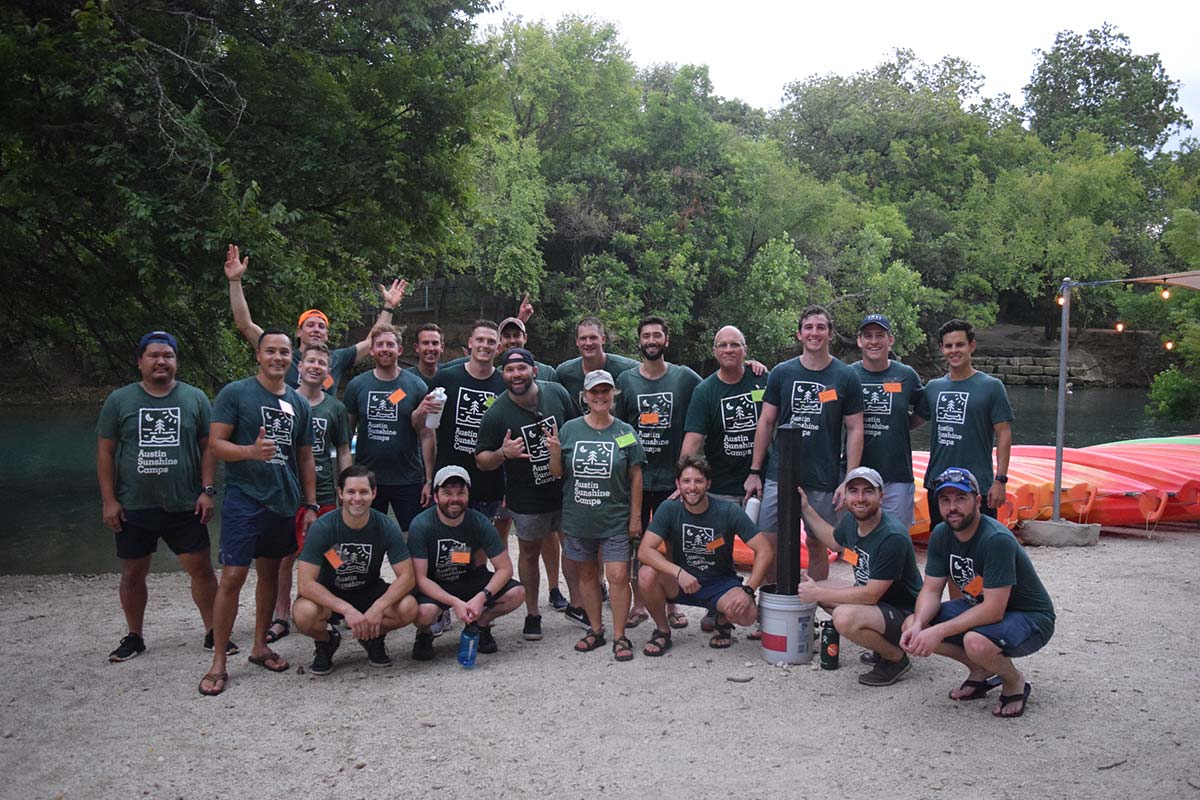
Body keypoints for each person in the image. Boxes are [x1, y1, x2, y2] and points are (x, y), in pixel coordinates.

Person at [199, 330, 317, 696]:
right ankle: (219, 660)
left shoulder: (299, 403)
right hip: (245, 498)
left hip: (283, 500)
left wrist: (310, 503)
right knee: (233, 576)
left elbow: (305, 456)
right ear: (259, 355)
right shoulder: (236, 393)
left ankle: (259, 646)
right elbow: (216, 444)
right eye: (271, 351)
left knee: (269, 574)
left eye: (284, 352)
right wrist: (250, 452)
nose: (278, 357)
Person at [97, 331, 226, 662]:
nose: (161, 361)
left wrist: (207, 490)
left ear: (176, 362)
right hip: (134, 504)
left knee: (201, 570)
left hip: (184, 502)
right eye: (154, 355)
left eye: (168, 356)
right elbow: (106, 453)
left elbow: (207, 448)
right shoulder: (120, 400)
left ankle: (213, 631)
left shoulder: (194, 398)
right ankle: (135, 635)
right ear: (140, 361)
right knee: (132, 574)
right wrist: (109, 500)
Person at [901, 468, 1055, 718]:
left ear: (978, 501)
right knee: (911, 623)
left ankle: (1014, 680)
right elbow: (930, 589)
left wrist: (937, 630)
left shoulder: (996, 539)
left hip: (1030, 617)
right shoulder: (941, 533)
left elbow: (994, 610)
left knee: (976, 642)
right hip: (979, 606)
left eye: (961, 498)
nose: (953, 507)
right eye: (945, 500)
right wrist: (920, 625)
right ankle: (981, 670)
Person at [745, 305, 864, 582]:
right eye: (809, 327)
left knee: (817, 544)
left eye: (821, 327)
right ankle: (772, 610)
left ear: (830, 334)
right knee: (768, 543)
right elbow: (765, 423)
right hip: (779, 473)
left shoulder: (846, 376)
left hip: (823, 475)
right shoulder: (782, 373)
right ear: (799, 334)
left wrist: (850, 480)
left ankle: (811, 611)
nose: (814, 333)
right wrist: (755, 471)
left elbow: (855, 428)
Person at [476, 348, 579, 640]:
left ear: (534, 371)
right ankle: (533, 614)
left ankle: (577, 604)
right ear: (503, 375)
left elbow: (578, 426)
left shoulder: (557, 393)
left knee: (573, 548)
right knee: (530, 552)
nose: (516, 375)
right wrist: (502, 453)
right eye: (509, 370)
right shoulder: (497, 412)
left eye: (521, 368)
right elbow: (481, 459)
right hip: (526, 496)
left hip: (565, 490)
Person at [547, 370, 645, 661]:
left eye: (605, 391)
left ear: (613, 395)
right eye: (594, 392)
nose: (600, 397)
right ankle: (595, 629)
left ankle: (620, 635)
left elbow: (636, 476)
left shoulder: (626, 432)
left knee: (617, 575)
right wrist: (553, 451)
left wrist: (636, 518)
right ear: (585, 396)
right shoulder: (570, 430)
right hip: (579, 517)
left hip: (615, 516)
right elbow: (557, 473)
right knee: (587, 575)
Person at [796, 467, 923, 686]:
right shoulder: (852, 520)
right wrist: (806, 508)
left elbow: (871, 595)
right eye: (854, 491)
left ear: (881, 497)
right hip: (879, 603)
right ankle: (881, 646)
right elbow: (834, 541)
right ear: (845, 496)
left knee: (843, 616)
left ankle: (895, 658)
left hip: (905, 610)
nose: (860, 498)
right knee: (821, 590)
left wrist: (818, 592)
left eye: (868, 491)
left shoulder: (892, 536)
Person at [223, 243, 408, 391]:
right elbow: (244, 324)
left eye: (321, 326)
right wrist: (235, 281)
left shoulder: (336, 359)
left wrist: (389, 307)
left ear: (327, 335)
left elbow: (371, 343)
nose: (316, 330)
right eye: (310, 325)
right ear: (298, 331)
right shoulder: (283, 353)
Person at [636, 456, 773, 655]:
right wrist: (678, 572)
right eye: (686, 481)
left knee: (747, 614)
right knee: (646, 574)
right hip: (682, 582)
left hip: (719, 583)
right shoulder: (668, 509)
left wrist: (749, 590)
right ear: (677, 484)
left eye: (698, 481)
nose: (692, 487)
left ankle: (722, 619)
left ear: (708, 483)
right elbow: (644, 551)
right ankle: (662, 631)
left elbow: (765, 550)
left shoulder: (728, 511)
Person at [615, 316, 701, 631]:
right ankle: (639, 603)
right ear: (639, 341)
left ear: (666, 340)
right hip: (637, 479)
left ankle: (672, 602)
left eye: (657, 335)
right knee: (636, 542)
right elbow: (620, 428)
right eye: (646, 336)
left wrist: (752, 368)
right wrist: (631, 453)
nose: (651, 340)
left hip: (673, 480)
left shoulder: (685, 378)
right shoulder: (625, 380)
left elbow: (717, 387)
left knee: (672, 543)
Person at [264, 343, 352, 645]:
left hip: (325, 490)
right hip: (286, 492)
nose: (315, 366)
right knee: (285, 556)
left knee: (332, 553)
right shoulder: (281, 402)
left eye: (322, 363)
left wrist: (346, 488)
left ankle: (332, 603)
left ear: (328, 372)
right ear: (298, 368)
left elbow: (342, 449)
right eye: (310, 361)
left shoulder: (334, 407)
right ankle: (281, 614)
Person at [293, 465, 418, 674]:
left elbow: (407, 577)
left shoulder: (386, 526)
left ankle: (373, 636)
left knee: (409, 607)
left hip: (368, 589)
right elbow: (305, 583)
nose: (357, 498)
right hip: (330, 593)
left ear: (374, 493)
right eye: (351, 492)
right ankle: (327, 640)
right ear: (340, 493)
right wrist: (347, 610)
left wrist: (378, 607)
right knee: (304, 614)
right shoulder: (323, 527)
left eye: (363, 492)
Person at [408, 467, 525, 661]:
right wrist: (454, 602)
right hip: (436, 583)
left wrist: (481, 597)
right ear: (436, 496)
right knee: (422, 612)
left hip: (469, 578)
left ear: (468, 495)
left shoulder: (479, 521)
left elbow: (504, 568)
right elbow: (419, 578)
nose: (455, 499)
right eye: (447, 493)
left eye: (460, 492)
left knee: (517, 593)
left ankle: (480, 625)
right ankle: (425, 633)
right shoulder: (421, 525)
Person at [914, 319, 1014, 530]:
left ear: (972, 346)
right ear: (942, 349)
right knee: (942, 543)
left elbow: (1004, 434)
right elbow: (913, 421)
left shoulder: (991, 387)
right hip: (939, 483)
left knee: (982, 546)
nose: (954, 350)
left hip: (978, 485)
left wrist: (1000, 480)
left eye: (959, 344)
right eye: (948, 346)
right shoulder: (933, 388)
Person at [343, 324, 440, 530]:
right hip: (367, 479)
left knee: (413, 537)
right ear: (371, 350)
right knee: (366, 538)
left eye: (390, 344)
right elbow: (346, 436)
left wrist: (428, 480)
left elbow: (427, 434)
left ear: (400, 350)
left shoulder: (416, 385)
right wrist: (346, 480)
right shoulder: (357, 385)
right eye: (380, 345)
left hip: (408, 478)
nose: (385, 349)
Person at [426, 321, 507, 520]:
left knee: (481, 543)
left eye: (491, 341)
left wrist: (509, 485)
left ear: (498, 348)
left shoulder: (505, 384)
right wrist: (428, 479)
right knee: (449, 542)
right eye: (480, 340)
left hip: (490, 481)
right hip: (450, 478)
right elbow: (426, 431)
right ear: (470, 343)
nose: (485, 345)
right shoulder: (445, 378)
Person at [850, 314, 924, 528]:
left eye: (880, 335)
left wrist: (902, 424)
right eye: (868, 336)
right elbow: (824, 403)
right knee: (858, 538)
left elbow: (924, 408)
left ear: (890, 340)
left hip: (897, 474)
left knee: (897, 537)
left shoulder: (906, 375)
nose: (874, 341)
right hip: (857, 474)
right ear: (859, 341)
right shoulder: (847, 375)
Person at [555, 317, 640, 414]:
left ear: (603, 339)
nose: (588, 343)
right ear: (577, 341)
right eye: (583, 338)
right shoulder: (564, 373)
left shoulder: (628, 369)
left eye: (593, 337)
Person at [405, 323, 446, 390]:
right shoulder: (405, 378)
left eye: (435, 343)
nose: (431, 348)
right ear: (417, 347)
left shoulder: (448, 375)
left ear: (442, 347)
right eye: (425, 343)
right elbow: (394, 400)